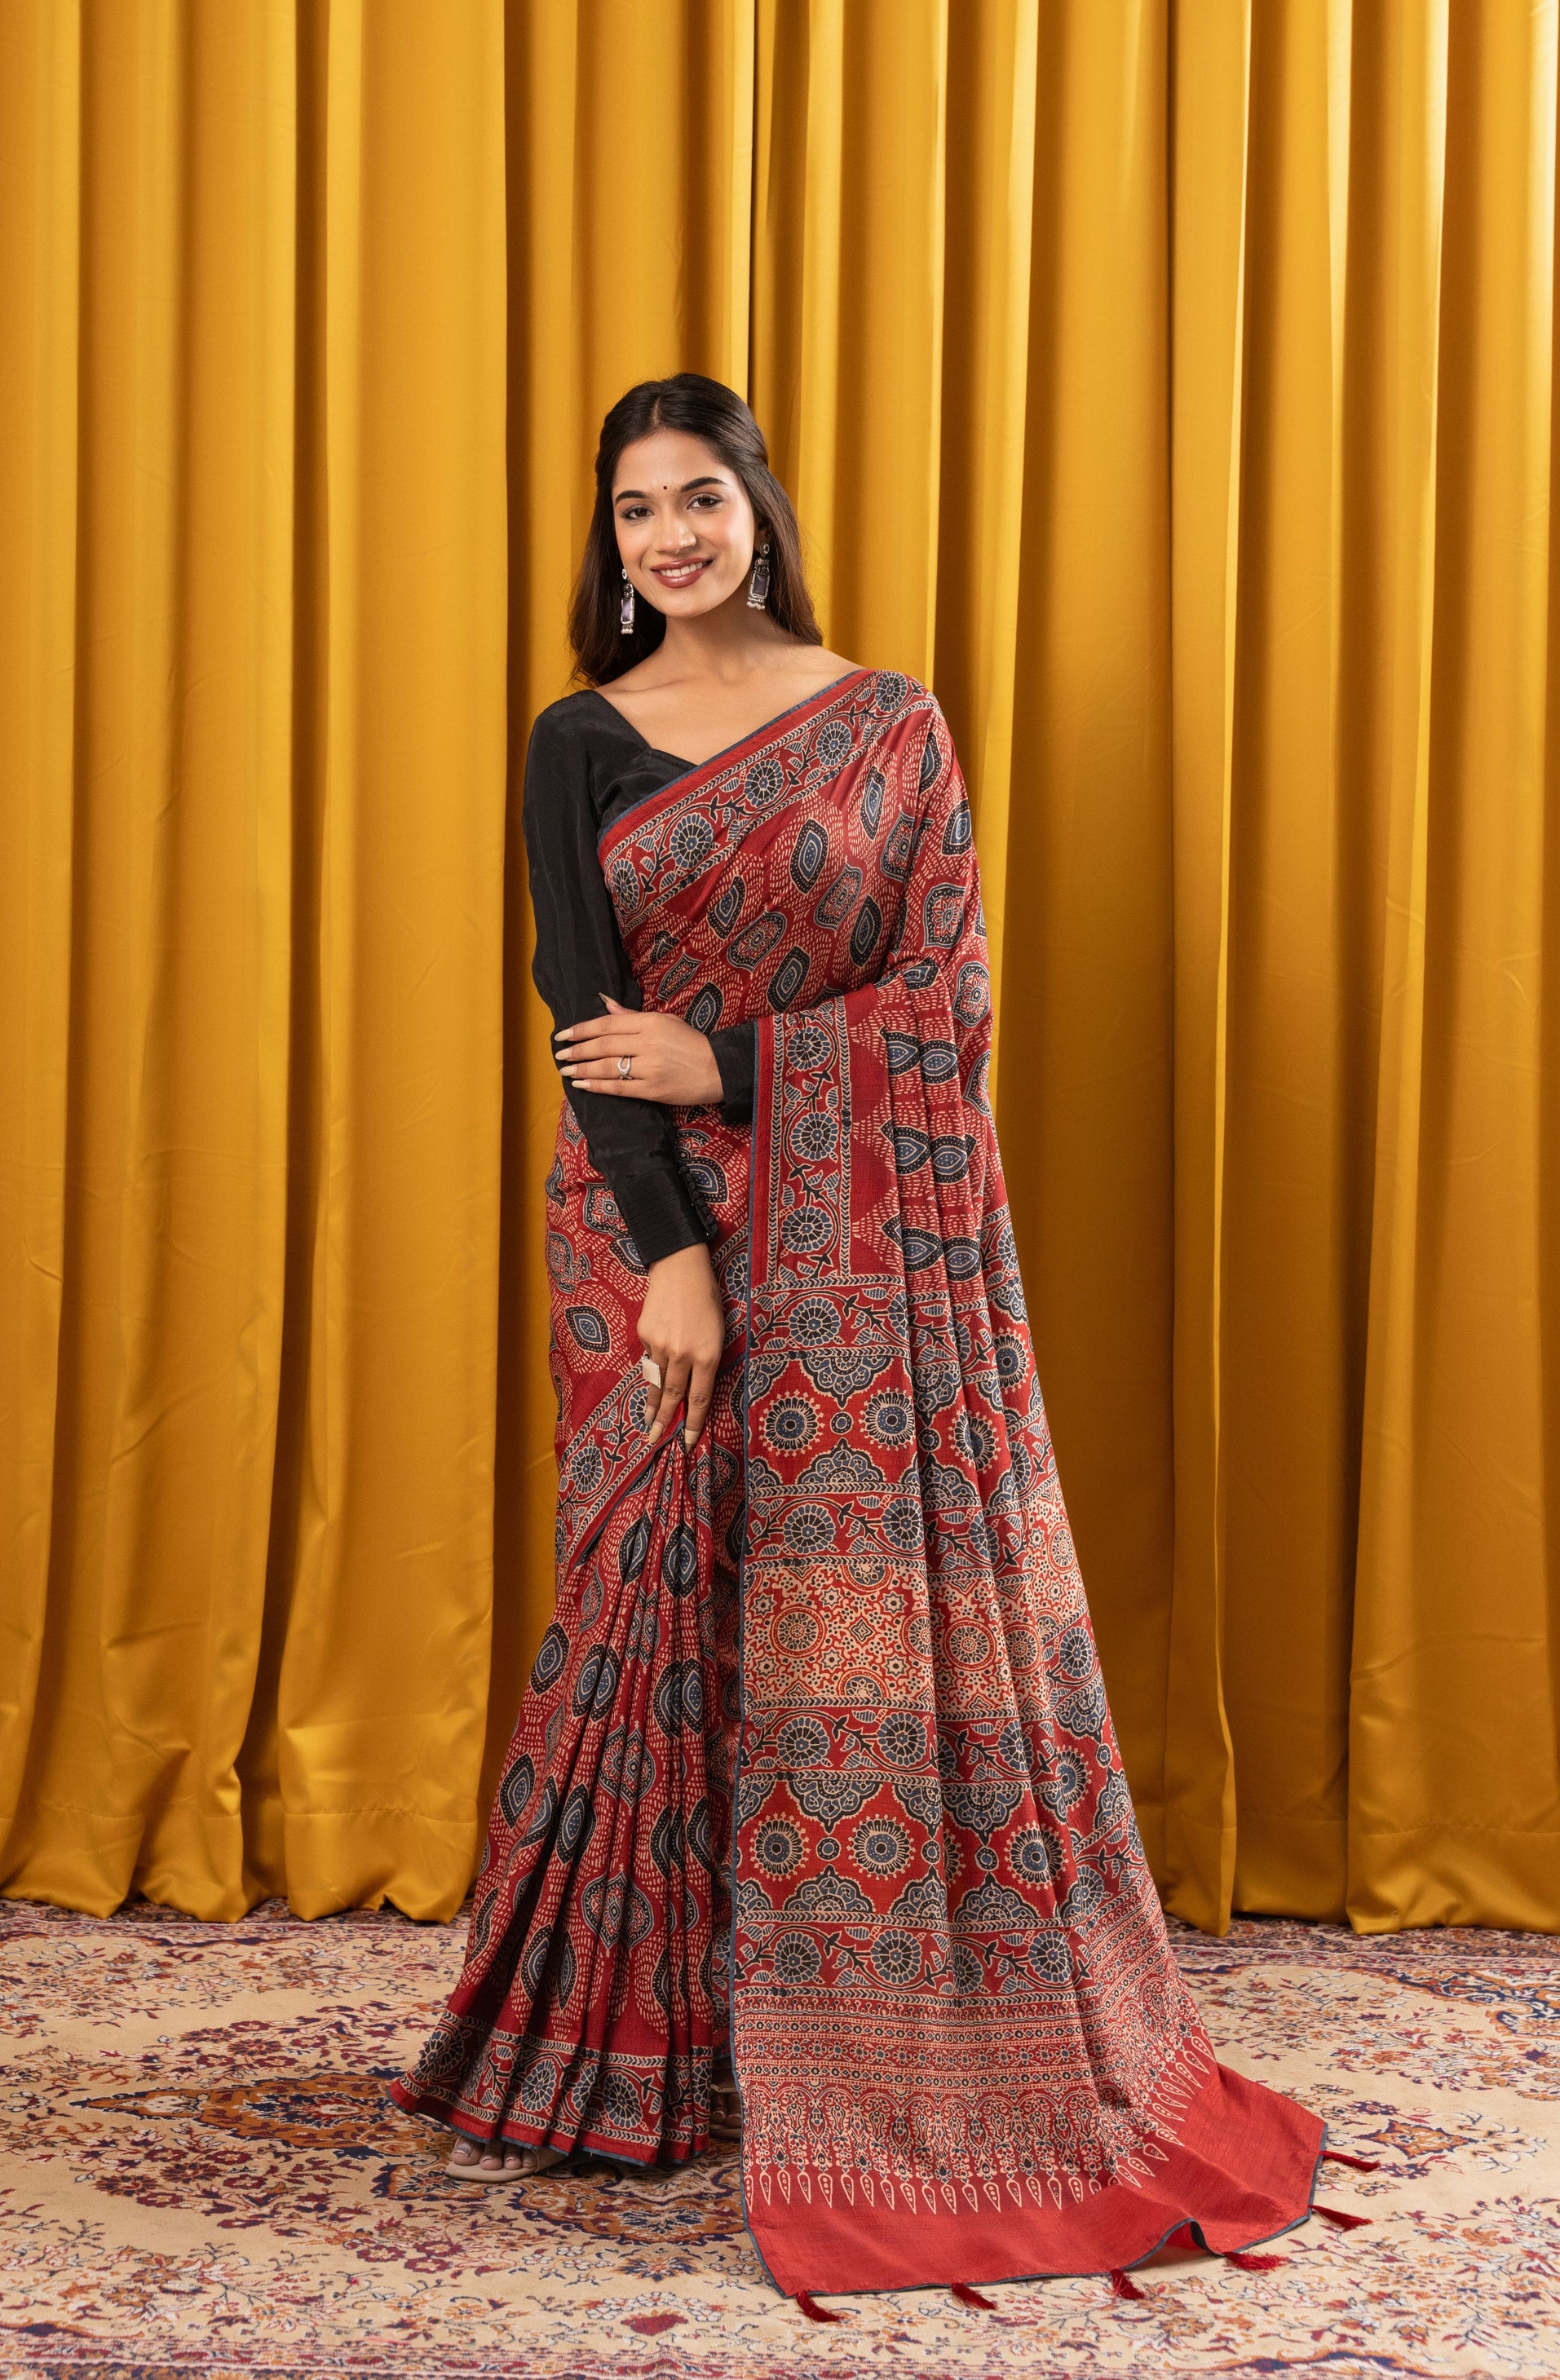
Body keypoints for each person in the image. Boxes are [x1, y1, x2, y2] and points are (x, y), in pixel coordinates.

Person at [389, 374, 1324, 2302]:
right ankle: (617, 2055)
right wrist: (673, 1253)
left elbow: (946, 1004)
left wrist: (733, 1061)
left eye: (698, 496)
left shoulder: (888, 723)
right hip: (641, 1228)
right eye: (635, 508)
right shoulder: (581, 737)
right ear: (610, 541)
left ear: (759, 508)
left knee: (836, 1617)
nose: (669, 535)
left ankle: (862, 2042)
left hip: (858, 1235)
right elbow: (584, 1018)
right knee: (653, 1601)